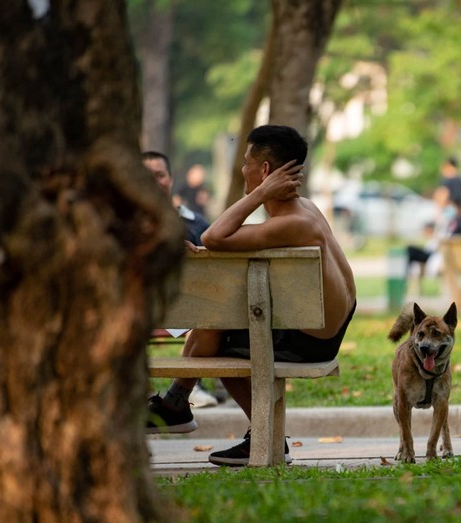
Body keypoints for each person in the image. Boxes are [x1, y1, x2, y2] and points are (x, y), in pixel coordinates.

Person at [146, 125, 357, 466]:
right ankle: (176, 402)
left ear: (265, 171)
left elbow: (215, 235)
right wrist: (207, 252)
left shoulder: (295, 222)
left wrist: (256, 195)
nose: (241, 169)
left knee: (214, 335)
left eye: (246, 162)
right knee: (217, 319)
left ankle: (188, 407)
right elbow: (227, 244)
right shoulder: (306, 210)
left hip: (311, 341)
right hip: (319, 329)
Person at [141, 151, 220, 408]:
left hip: (184, 307)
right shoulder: (120, 226)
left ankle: (192, 386)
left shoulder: (195, 223)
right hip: (140, 308)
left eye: (160, 175)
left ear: (171, 179)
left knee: (202, 313)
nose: (154, 181)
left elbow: (212, 274)